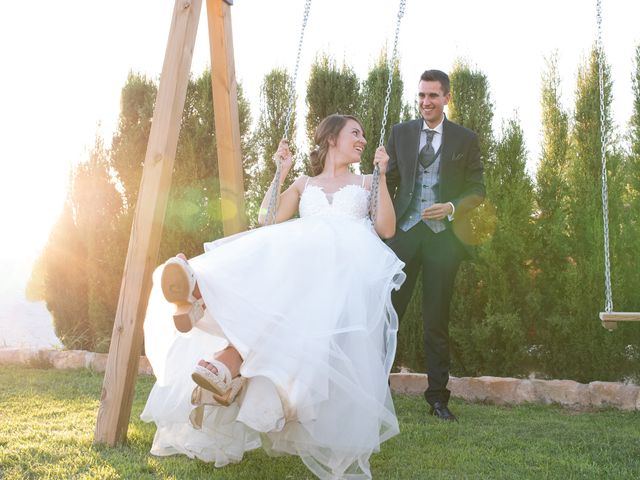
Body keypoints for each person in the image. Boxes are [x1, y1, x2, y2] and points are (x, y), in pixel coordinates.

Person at [141, 114, 406, 480]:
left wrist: (382, 175)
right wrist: (280, 172)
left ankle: (223, 351)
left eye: (363, 135)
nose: (362, 140)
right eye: (355, 133)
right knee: (262, 273)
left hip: (338, 270)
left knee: (281, 304)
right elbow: (268, 218)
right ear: (331, 139)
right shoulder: (304, 182)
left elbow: (386, 229)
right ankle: (199, 291)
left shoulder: (366, 181)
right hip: (298, 261)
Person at [385, 70, 485, 422]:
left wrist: (453, 207)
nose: (426, 102)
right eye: (421, 96)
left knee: (436, 321)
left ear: (446, 98)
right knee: (388, 314)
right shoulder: (401, 133)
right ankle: (375, 389)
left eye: (433, 96)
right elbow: (390, 182)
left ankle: (438, 398)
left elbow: (478, 189)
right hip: (405, 236)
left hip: (444, 240)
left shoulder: (465, 138)